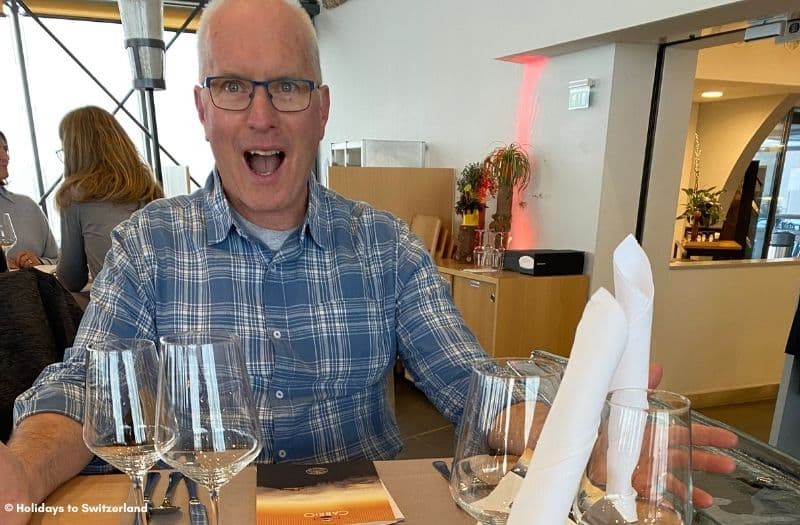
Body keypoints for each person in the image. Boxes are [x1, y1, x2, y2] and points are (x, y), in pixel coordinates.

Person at [0, 1, 735, 523]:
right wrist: (20, 472)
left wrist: (575, 434)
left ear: (321, 110)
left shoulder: (386, 247)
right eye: (233, 86)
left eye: (286, 86)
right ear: (203, 108)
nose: (261, 114)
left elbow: (471, 382)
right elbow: (88, 391)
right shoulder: (145, 247)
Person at [53, 106, 163, 292]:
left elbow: (71, 279)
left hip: (119, 310)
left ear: (75, 152)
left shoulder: (74, 196)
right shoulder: (148, 187)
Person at [0, 130, 58, 269]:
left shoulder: (28, 206)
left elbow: (58, 261)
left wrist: (39, 262)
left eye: (5, 149)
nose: (5, 157)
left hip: (32, 289)